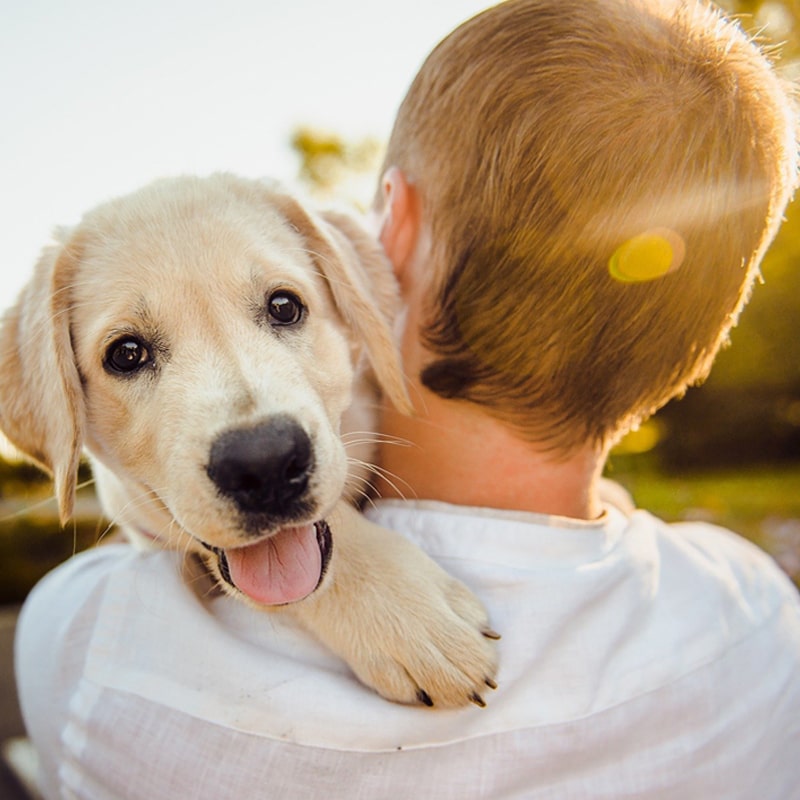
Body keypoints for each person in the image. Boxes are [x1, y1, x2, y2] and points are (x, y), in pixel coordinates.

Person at [14, 0, 800, 797]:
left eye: (283, 310)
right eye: (131, 354)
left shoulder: (91, 645)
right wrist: (341, 559)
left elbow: (132, 533)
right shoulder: (761, 622)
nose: (250, 434)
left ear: (389, 232)